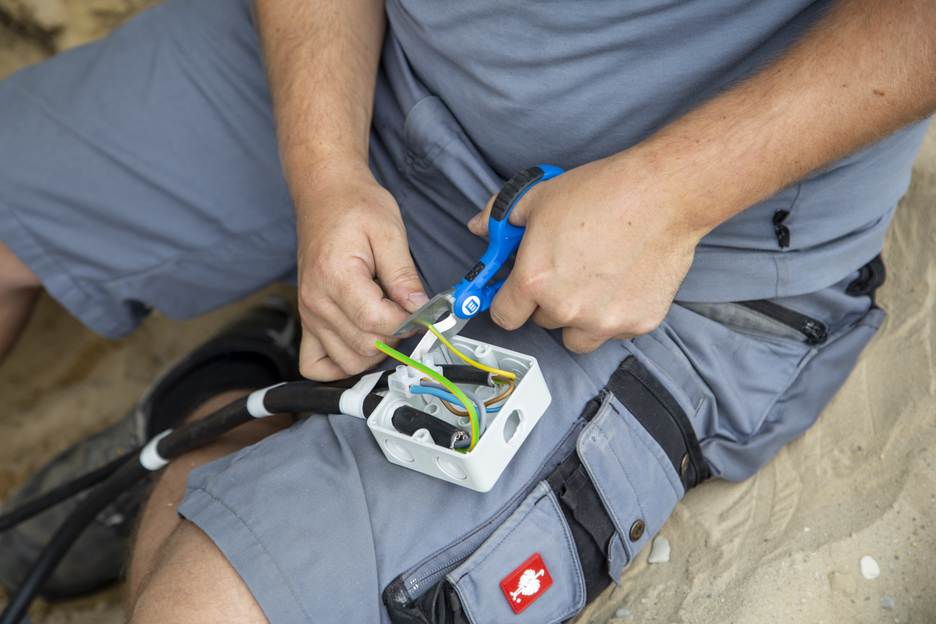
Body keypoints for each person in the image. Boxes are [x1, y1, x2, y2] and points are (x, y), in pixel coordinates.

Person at [0, 0, 934, 621]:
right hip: (371, 64)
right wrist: (324, 169)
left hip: (689, 246)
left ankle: (221, 414)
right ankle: (268, 403)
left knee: (200, 602)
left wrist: (674, 194)